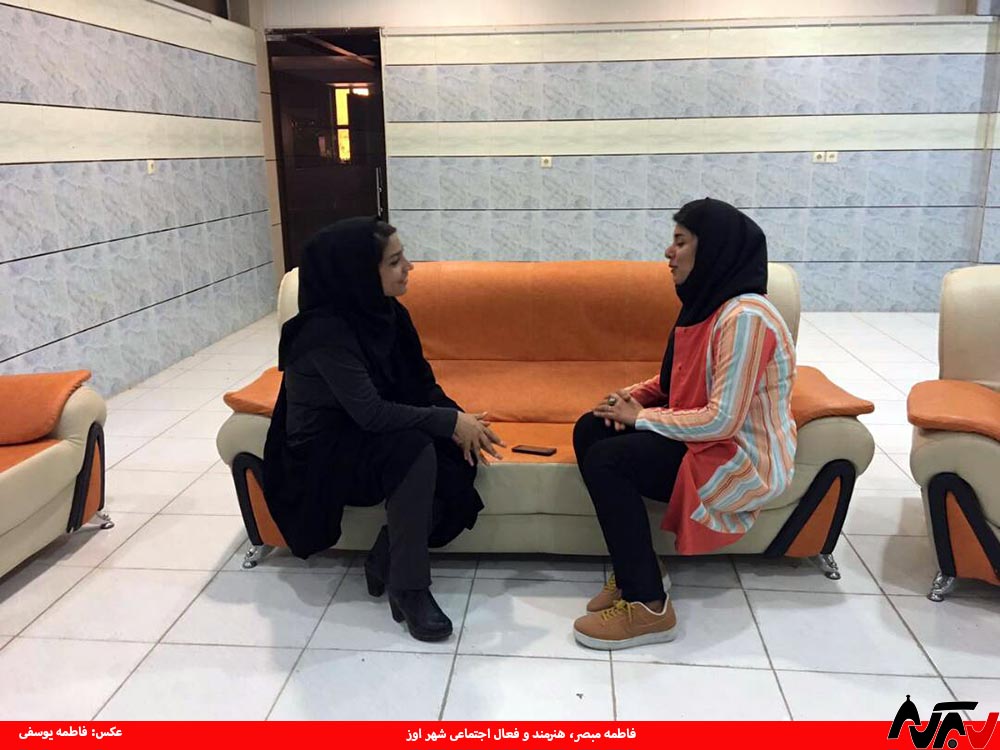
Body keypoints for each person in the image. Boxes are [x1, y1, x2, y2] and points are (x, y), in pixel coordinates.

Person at [262, 217, 504, 642]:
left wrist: (462, 422)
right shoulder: (323, 335)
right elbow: (371, 414)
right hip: (324, 454)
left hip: (366, 436)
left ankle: (385, 557)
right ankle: (410, 588)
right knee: (413, 447)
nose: (409, 267)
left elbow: (422, 386)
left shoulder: (387, 313)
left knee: (454, 460)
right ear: (357, 273)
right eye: (394, 261)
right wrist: (447, 422)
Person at [571, 198, 797, 650]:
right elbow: (675, 380)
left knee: (609, 460)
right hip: (709, 441)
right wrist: (632, 398)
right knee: (592, 427)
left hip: (739, 458)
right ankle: (641, 568)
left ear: (712, 249)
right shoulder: (710, 304)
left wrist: (641, 418)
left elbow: (723, 420)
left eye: (680, 241)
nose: (668, 253)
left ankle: (648, 605)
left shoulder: (746, 318)